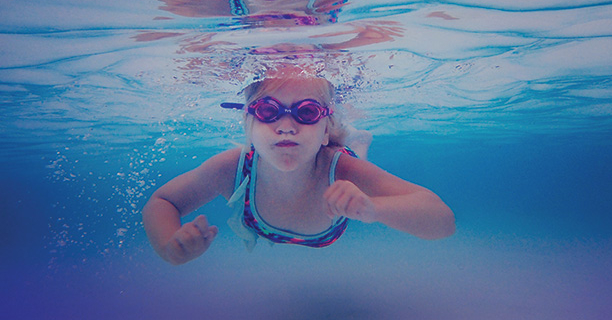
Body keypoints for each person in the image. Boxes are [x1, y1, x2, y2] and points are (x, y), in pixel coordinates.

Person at [142, 67, 455, 265]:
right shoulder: (231, 168)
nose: (287, 127)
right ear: (248, 123)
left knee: (356, 163)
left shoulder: (342, 171)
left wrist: (373, 209)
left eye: (306, 112)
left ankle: (356, 143)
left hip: (337, 178)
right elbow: (163, 202)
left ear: (324, 130)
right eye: (268, 110)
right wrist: (169, 245)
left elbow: (443, 222)